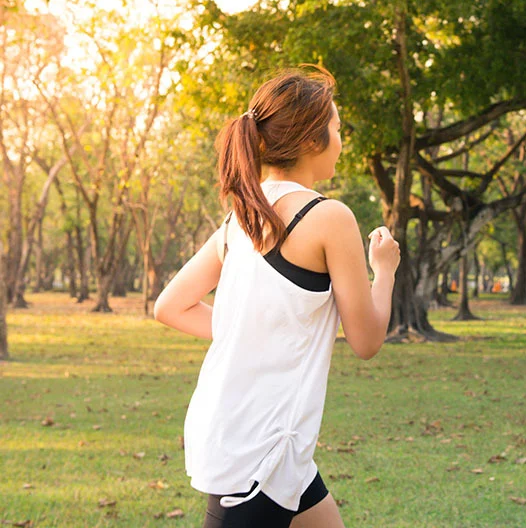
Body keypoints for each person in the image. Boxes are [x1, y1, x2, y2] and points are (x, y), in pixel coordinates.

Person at [153, 65, 399, 528]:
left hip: (263, 442)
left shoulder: (240, 219)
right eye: (337, 128)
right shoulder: (329, 217)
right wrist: (383, 271)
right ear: (312, 139)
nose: (342, 141)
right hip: (257, 454)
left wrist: (250, 332)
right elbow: (366, 341)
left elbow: (170, 306)